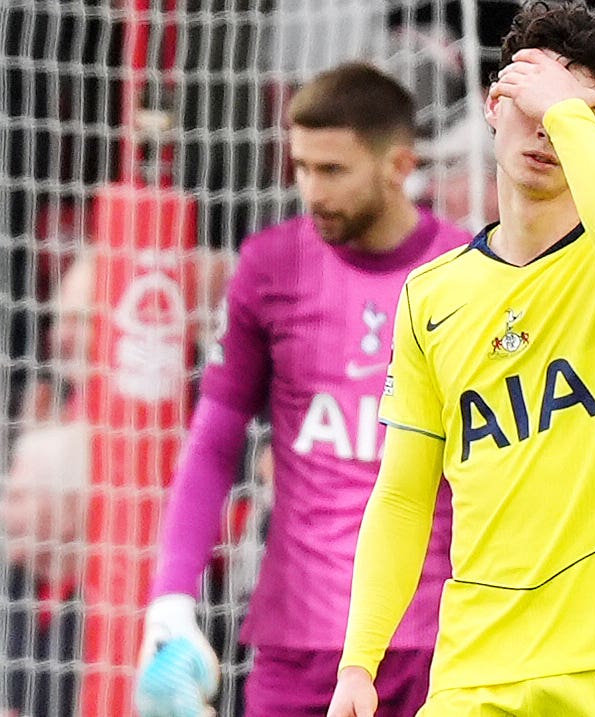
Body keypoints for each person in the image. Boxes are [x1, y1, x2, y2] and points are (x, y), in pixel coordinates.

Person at [328, 3, 595, 716]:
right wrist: (359, 660)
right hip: (480, 670)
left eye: (566, 113)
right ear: (492, 106)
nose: (542, 129)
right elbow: (405, 493)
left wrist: (569, 116)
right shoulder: (431, 295)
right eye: (527, 106)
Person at [134, 63, 468, 717]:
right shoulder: (270, 266)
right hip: (300, 641)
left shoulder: (465, 272)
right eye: (301, 168)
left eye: (332, 170)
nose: (310, 190)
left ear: (399, 165)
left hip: (434, 640)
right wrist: (172, 595)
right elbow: (214, 441)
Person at [1, 422, 91, 717]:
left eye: (18, 498)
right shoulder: (14, 589)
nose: (4, 512)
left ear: (68, 509)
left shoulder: (105, 606)